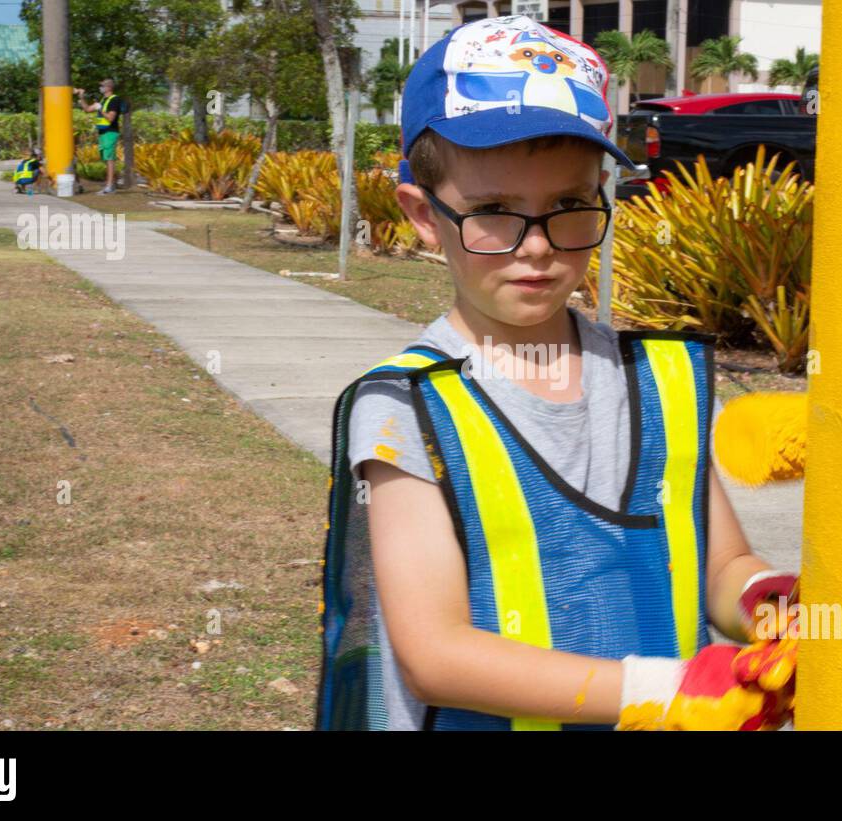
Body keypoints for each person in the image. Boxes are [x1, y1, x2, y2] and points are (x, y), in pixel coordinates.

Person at [316, 14, 798, 731]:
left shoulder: (657, 380)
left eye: (569, 207)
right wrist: (667, 694)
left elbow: (721, 565)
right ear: (422, 214)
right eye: (494, 212)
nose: (537, 247)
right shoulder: (405, 407)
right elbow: (435, 653)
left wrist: (768, 602)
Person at [75, 78, 124, 194]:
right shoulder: (103, 100)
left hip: (110, 132)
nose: (100, 88)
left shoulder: (114, 100)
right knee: (106, 159)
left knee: (109, 159)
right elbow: (87, 109)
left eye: (102, 86)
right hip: (103, 133)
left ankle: (109, 187)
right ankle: (111, 184)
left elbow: (111, 118)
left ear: (109, 88)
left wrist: (100, 109)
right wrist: (81, 96)